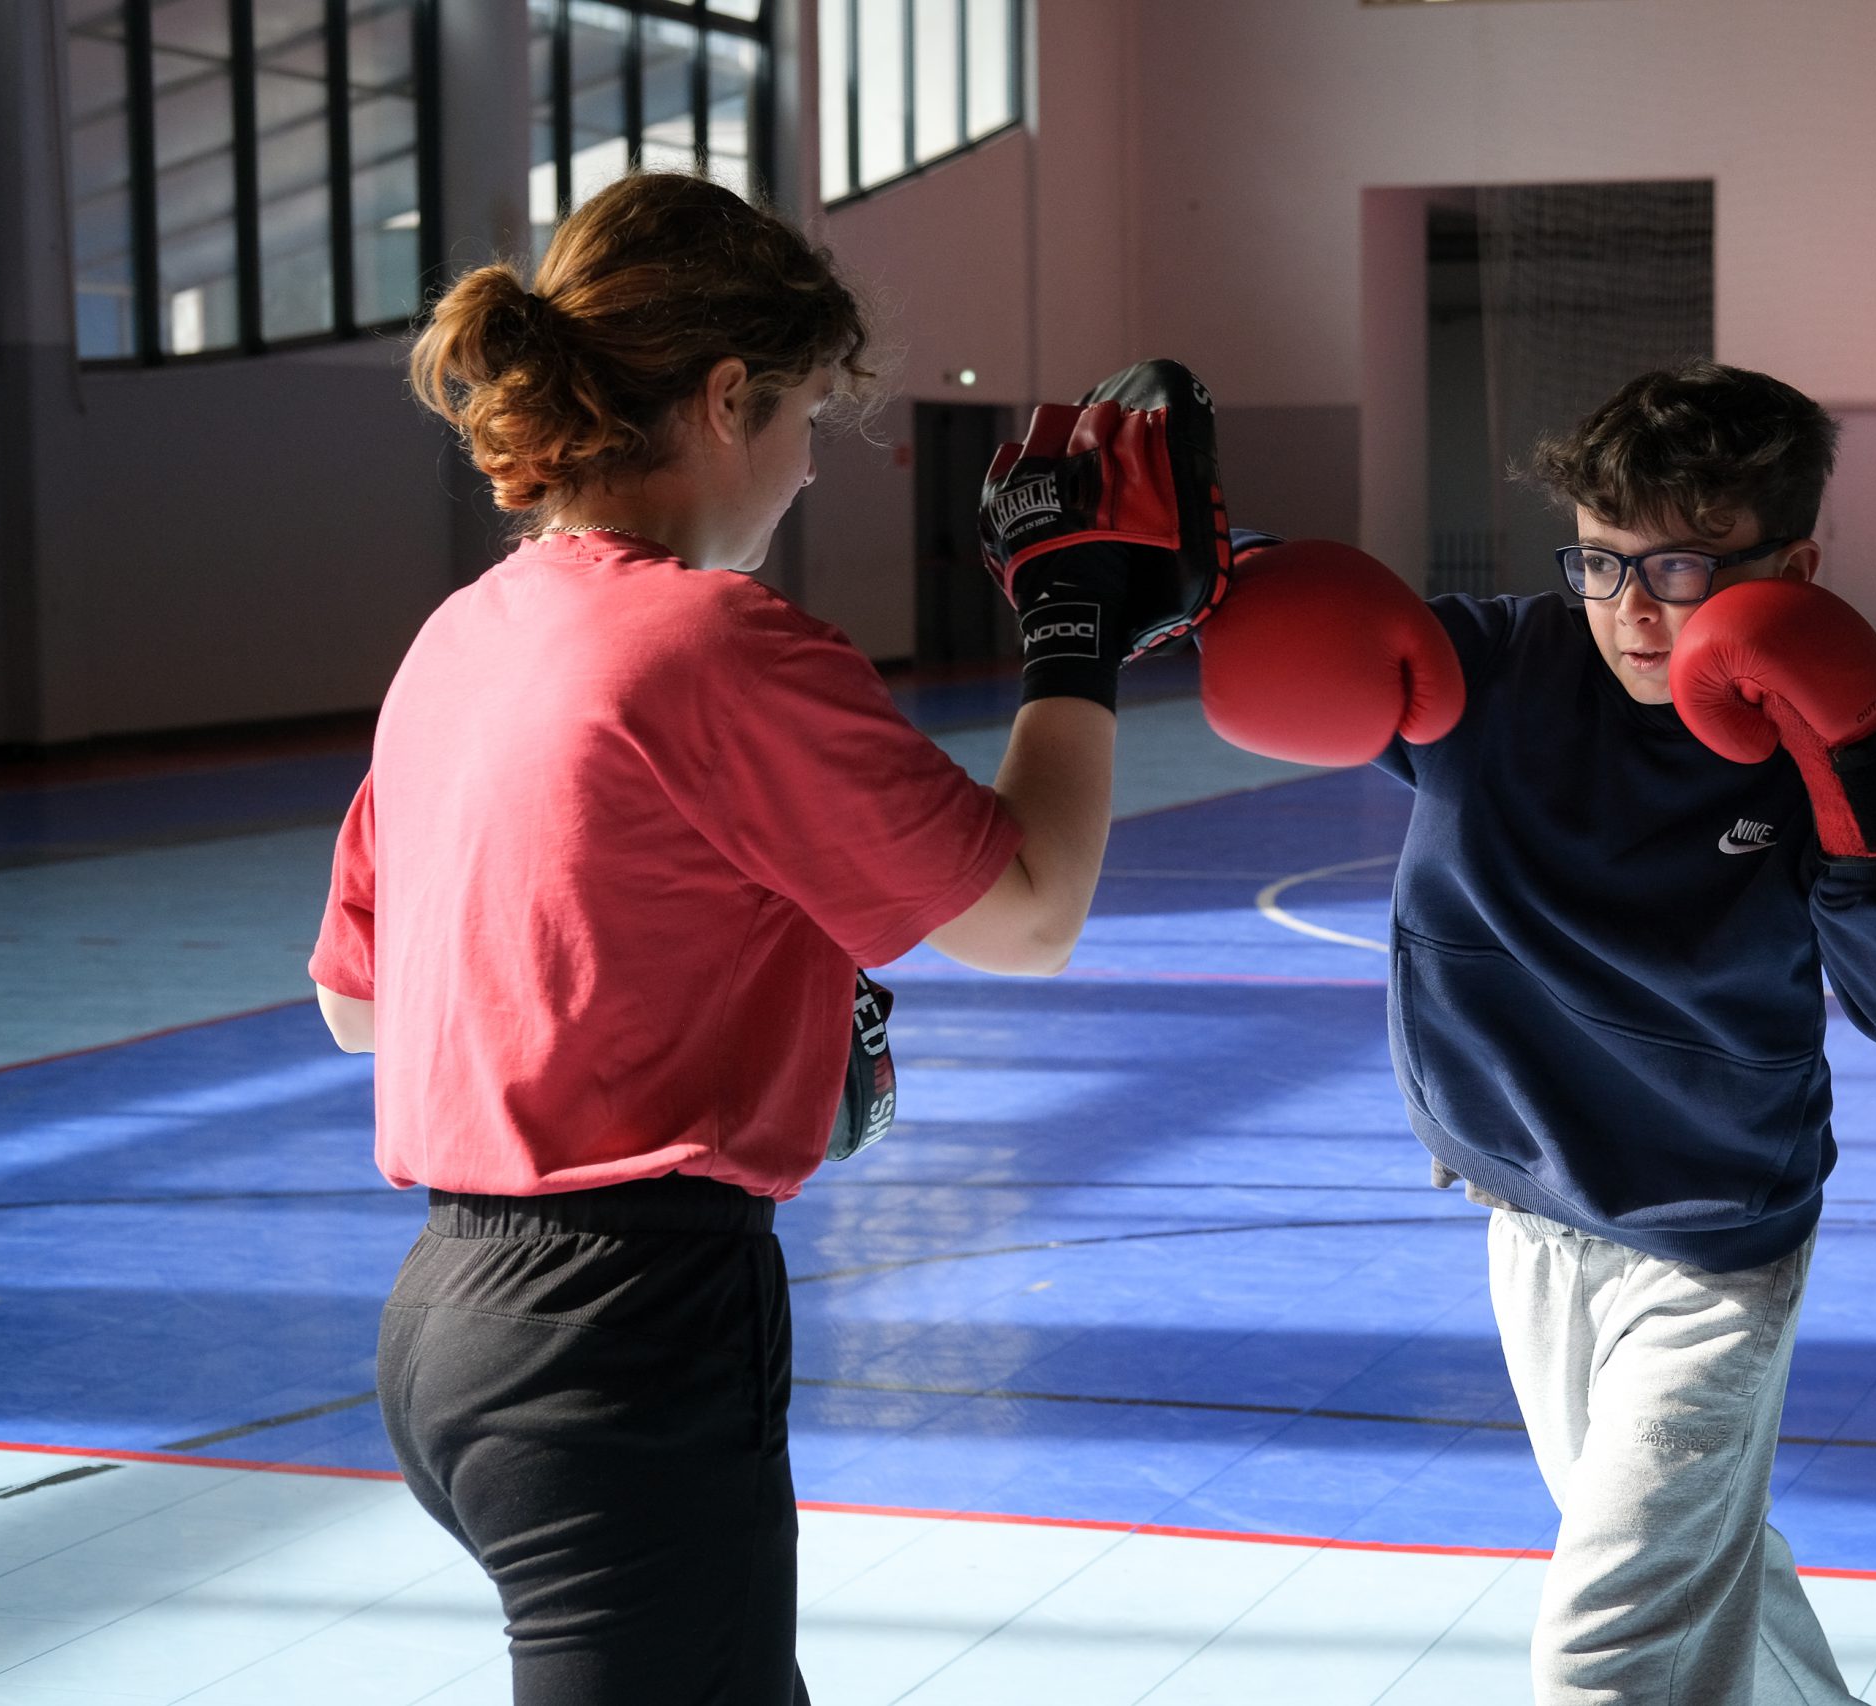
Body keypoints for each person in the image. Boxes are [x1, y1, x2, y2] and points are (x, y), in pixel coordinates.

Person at [308, 171, 1223, 1704]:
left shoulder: (462, 632)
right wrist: (1072, 628)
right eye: (803, 417)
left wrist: (691, 988)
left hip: (446, 1329)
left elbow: (358, 1004)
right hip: (622, 1333)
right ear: (727, 397)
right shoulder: (714, 641)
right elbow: (1032, 911)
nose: (804, 469)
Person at [1196, 360, 1876, 1705]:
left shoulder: (1810, 741)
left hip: (1713, 1249)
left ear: (1793, 569)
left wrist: (1858, 771)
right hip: (1532, 1217)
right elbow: (1302, 635)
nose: (1630, 608)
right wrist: (1201, 577)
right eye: (1600, 561)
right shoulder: (1491, 676)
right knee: (1702, 1569)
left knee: (1610, 1644)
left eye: (1680, 569)